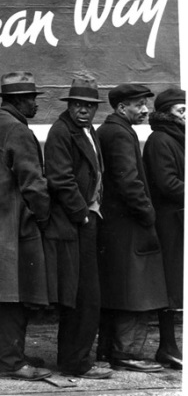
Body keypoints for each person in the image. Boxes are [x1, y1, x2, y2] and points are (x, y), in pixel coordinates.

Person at [0, 72, 52, 381]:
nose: (35, 103)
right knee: (18, 295)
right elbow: (33, 184)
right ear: (19, 101)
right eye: (32, 98)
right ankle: (11, 361)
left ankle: (13, 354)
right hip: (18, 227)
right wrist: (43, 216)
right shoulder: (18, 131)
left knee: (9, 293)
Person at [43, 77, 112, 380]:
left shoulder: (86, 130)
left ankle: (76, 356)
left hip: (88, 218)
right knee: (83, 295)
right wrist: (82, 215)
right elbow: (60, 179)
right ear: (69, 106)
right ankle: (75, 361)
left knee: (86, 294)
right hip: (75, 223)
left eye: (89, 106)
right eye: (78, 105)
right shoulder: (61, 131)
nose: (84, 111)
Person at [96, 83, 168, 371]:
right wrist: (148, 214)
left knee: (119, 288)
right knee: (134, 291)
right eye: (139, 105)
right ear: (121, 107)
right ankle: (127, 354)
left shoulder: (108, 129)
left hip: (115, 225)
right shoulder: (120, 134)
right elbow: (129, 181)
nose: (145, 110)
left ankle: (109, 350)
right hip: (129, 225)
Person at [143, 87, 184, 370]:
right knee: (172, 285)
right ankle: (167, 347)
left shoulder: (177, 138)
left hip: (181, 220)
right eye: (181, 110)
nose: (186, 115)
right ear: (166, 113)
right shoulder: (160, 140)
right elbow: (167, 184)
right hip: (171, 223)